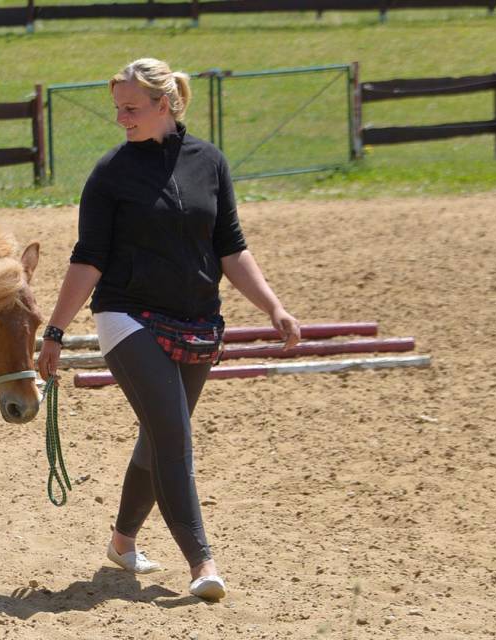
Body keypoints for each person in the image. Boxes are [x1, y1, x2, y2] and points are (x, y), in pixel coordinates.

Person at [37, 58, 301, 601]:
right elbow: (88, 260)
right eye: (117, 109)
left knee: (158, 437)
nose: (120, 119)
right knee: (175, 436)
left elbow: (231, 247)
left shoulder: (210, 162)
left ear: (165, 104)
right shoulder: (110, 174)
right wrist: (56, 331)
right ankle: (201, 561)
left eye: (129, 109)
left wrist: (273, 306)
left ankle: (122, 540)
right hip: (125, 316)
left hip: (199, 320)